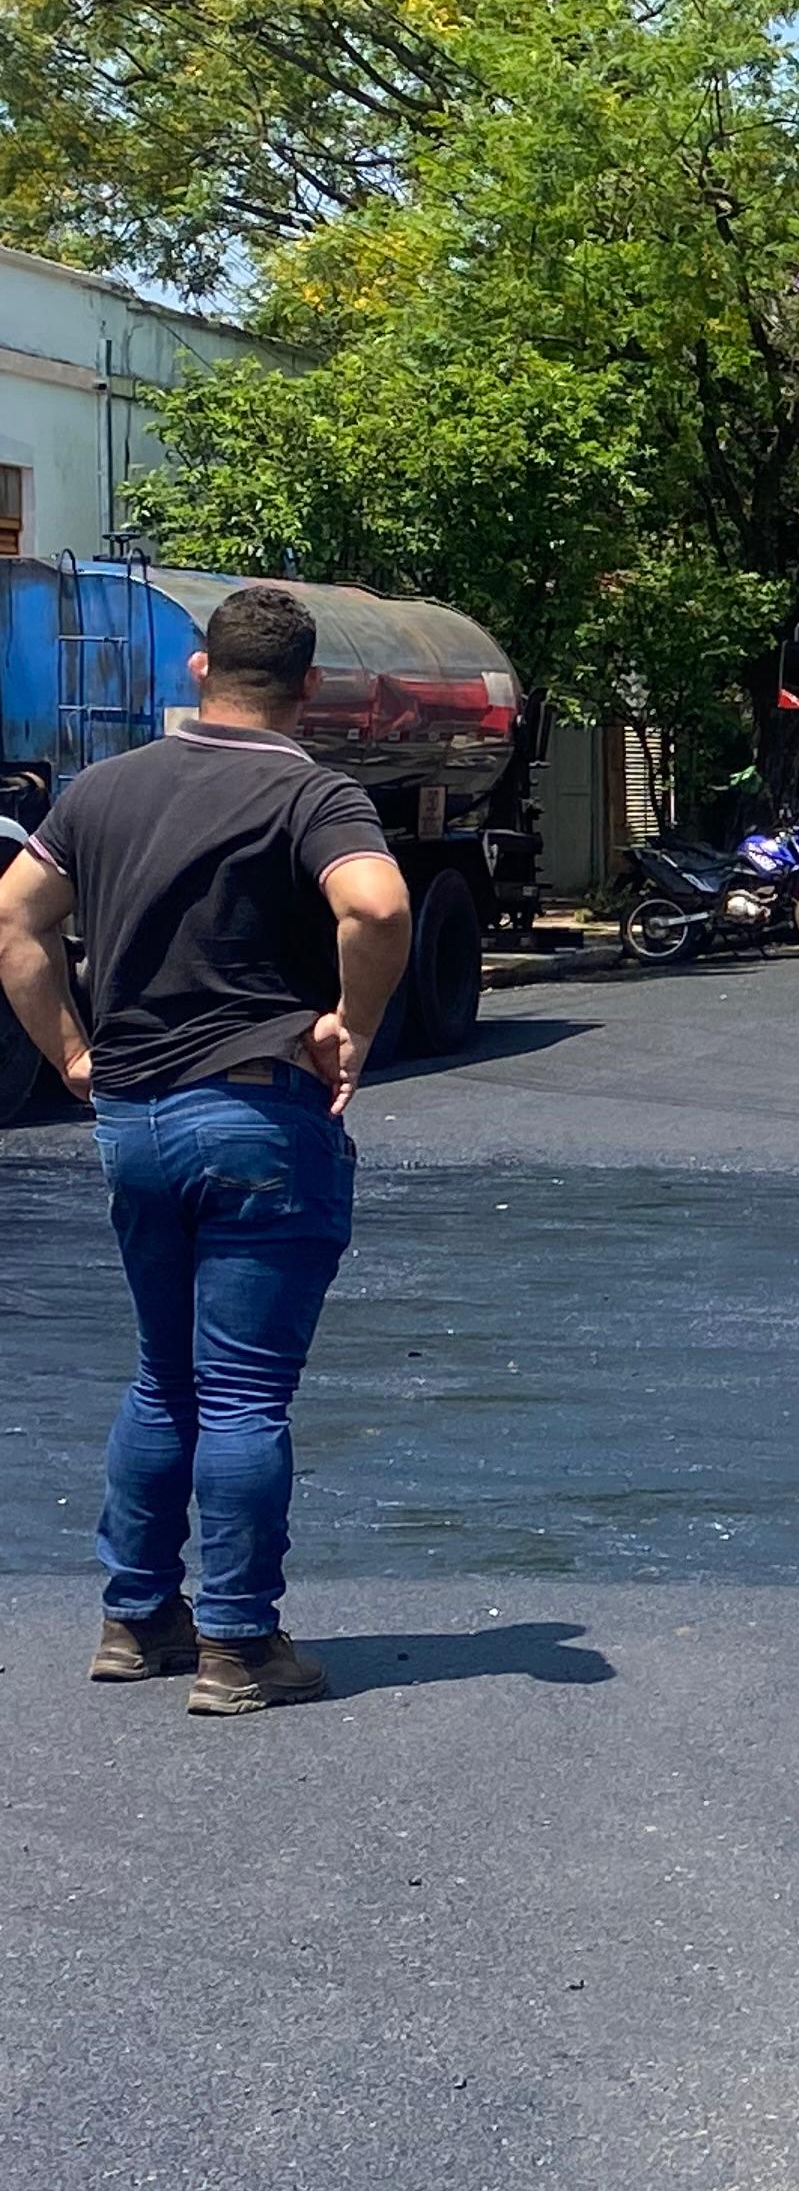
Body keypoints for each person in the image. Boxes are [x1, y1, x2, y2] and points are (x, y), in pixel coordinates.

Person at [0, 585, 415, 1715]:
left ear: (198, 672)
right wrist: (356, 1026)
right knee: (241, 1394)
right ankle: (237, 1645)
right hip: (255, 1119)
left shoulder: (102, 790)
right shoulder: (310, 793)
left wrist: (73, 1057)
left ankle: (136, 1622)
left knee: (161, 1376)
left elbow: (15, 916)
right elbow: (375, 910)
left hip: (131, 1121)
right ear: (310, 688)